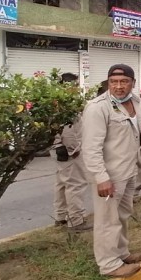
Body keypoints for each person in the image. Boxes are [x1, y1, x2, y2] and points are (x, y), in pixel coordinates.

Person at [81, 64, 141, 278]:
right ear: (108, 83)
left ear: (133, 83)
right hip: (109, 176)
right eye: (113, 82)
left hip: (129, 172)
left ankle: (121, 253)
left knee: (122, 216)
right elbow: (91, 147)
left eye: (124, 81)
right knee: (107, 220)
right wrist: (101, 178)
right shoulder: (97, 107)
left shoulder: (137, 103)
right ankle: (109, 264)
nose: (118, 86)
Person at [53, 73, 92, 233]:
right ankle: (76, 220)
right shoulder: (65, 104)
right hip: (68, 150)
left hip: (60, 148)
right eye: (75, 85)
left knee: (61, 183)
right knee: (75, 184)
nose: (77, 88)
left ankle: (60, 216)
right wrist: (73, 149)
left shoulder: (57, 102)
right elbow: (67, 130)